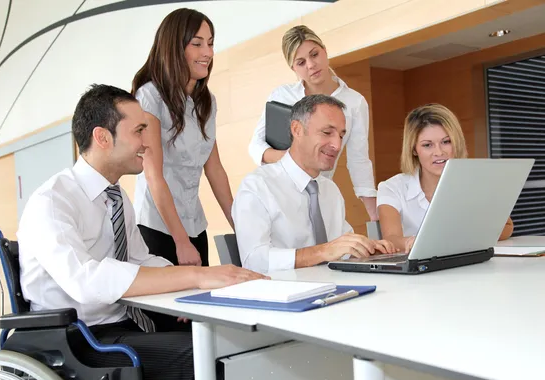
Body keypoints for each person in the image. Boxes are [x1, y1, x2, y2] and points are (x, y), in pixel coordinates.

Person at [16, 84, 265, 380]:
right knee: (213, 359)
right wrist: (195, 274)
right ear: (102, 138)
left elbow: (138, 258)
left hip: (121, 324)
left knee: (231, 341)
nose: (149, 142)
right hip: (79, 339)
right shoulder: (52, 202)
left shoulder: (116, 196)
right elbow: (85, 281)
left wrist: (188, 285)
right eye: (139, 131)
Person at [233, 94, 396, 274]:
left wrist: (368, 250)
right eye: (327, 133)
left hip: (337, 291)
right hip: (286, 295)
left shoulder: (330, 189)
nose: (337, 145)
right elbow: (255, 261)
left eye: (341, 135)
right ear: (297, 130)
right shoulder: (257, 186)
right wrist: (322, 252)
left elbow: (341, 249)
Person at [131, 8, 232, 267]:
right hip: (159, 229)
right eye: (197, 44)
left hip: (195, 225)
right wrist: (180, 241)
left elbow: (216, 170)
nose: (207, 53)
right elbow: (155, 175)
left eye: (210, 44)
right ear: (174, 48)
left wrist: (240, 227)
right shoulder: (149, 97)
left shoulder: (206, 102)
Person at [248, 25, 378, 221]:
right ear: (293, 68)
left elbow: (358, 161)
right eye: (301, 62)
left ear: (324, 51)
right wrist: (293, 160)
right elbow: (255, 147)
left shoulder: (354, 102)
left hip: (317, 194)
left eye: (314, 54)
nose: (311, 65)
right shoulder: (282, 96)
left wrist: (375, 217)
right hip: (274, 192)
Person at [377, 103, 514, 253]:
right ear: (414, 150)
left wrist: (459, 238)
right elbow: (391, 238)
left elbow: (507, 227)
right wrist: (411, 242)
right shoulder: (391, 188)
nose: (439, 152)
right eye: (427, 145)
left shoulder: (475, 181)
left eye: (446, 142)